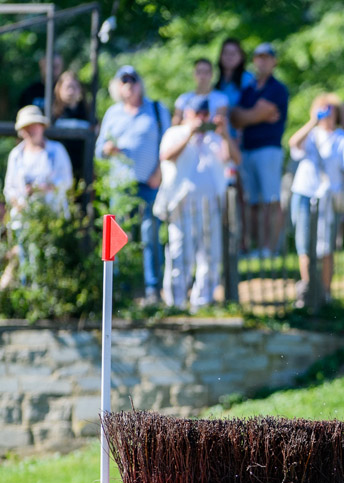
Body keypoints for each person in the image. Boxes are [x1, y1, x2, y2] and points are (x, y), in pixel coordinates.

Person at [95, 65, 171, 304]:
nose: (129, 85)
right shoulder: (112, 113)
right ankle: (121, 290)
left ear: (140, 83)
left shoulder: (156, 109)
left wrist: (159, 172)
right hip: (120, 185)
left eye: (133, 80)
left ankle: (152, 289)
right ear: (118, 86)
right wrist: (108, 149)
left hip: (150, 183)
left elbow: (168, 145)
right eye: (124, 80)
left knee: (150, 235)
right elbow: (99, 150)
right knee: (120, 237)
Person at [157, 96, 241, 310]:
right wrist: (189, 134)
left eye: (205, 114)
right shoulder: (175, 133)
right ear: (188, 114)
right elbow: (166, 156)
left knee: (210, 254)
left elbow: (234, 159)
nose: (202, 118)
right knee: (180, 253)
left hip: (211, 204)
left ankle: (203, 301)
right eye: (198, 114)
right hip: (182, 203)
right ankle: (176, 302)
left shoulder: (215, 137)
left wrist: (225, 134)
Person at [288, 94, 344, 307]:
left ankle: (326, 293)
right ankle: (308, 291)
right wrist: (313, 121)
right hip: (304, 193)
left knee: (326, 246)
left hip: (328, 197)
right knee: (304, 245)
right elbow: (293, 144)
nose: (327, 114)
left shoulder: (343, 139)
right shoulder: (310, 135)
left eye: (330, 109)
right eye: (322, 109)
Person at [231, 43, 289, 260]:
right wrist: (253, 115)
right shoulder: (248, 89)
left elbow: (245, 116)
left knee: (271, 200)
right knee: (253, 203)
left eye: (267, 58)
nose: (262, 62)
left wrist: (247, 116)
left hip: (268, 149)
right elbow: (235, 118)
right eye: (258, 57)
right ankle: (257, 247)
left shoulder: (277, 88)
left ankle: (270, 248)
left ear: (274, 61)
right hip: (248, 150)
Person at [4, 106, 73, 266]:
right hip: (25, 219)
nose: (30, 130)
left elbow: (67, 181)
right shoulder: (16, 155)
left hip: (52, 216)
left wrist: (45, 188)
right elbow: (9, 188)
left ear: (41, 126)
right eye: (26, 127)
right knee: (26, 261)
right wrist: (18, 203)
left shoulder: (56, 151)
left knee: (50, 260)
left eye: (33, 125)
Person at [49, 70, 91, 179]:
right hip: (58, 170)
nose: (71, 91)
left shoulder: (88, 113)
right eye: (67, 87)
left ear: (80, 90)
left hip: (82, 168)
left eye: (74, 87)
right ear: (59, 89)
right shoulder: (53, 115)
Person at [174, 58, 229, 125]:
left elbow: (219, 124)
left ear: (212, 74)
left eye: (206, 72)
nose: (202, 76)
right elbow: (175, 123)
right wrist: (189, 122)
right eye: (199, 72)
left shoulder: (221, 99)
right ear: (194, 74)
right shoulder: (183, 99)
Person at [215, 38, 255, 112]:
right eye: (226, 53)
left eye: (233, 53)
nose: (229, 57)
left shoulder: (249, 80)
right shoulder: (217, 82)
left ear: (241, 56)